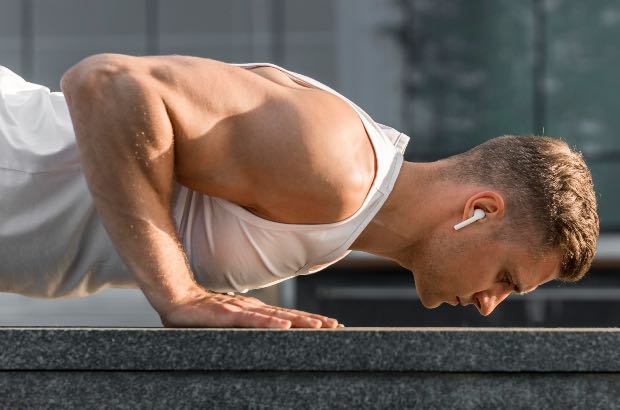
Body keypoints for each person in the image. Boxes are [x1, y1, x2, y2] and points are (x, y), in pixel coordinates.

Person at [0, 53, 599, 329]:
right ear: (478, 211)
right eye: (507, 278)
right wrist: (178, 292)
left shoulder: (335, 223)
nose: (491, 303)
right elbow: (108, 83)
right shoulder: (338, 166)